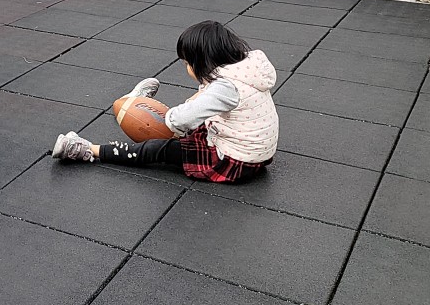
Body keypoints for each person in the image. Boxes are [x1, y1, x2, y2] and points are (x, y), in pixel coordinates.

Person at [52, 21, 277, 184]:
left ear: (202, 62)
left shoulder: (224, 88)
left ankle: (86, 149)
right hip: (255, 155)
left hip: (231, 161)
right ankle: (137, 104)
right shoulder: (243, 70)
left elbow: (179, 119)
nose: (187, 68)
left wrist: (167, 119)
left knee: (157, 147)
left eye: (187, 64)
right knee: (191, 118)